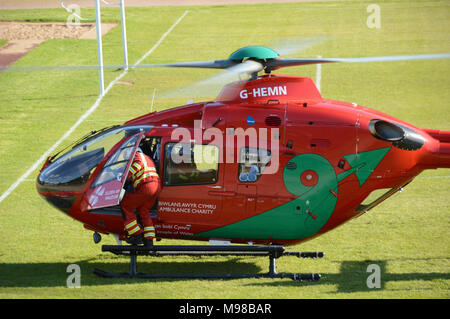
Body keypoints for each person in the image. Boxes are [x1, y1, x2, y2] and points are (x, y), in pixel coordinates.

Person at [121, 147, 161, 247]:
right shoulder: (148, 158)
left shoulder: (137, 157)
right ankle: (149, 241)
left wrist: (121, 178)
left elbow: (131, 171)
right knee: (144, 211)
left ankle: (136, 235)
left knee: (125, 205)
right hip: (156, 187)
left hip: (146, 186)